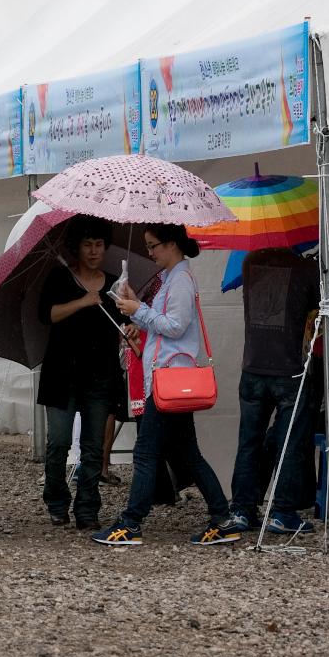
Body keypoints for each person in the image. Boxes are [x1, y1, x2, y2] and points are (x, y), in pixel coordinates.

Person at [97, 224, 241, 547]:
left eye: (153, 246)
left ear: (172, 244)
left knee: (146, 453)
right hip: (170, 379)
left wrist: (140, 311)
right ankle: (222, 517)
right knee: (189, 455)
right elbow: (165, 326)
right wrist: (138, 313)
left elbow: (175, 326)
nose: (150, 252)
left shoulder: (180, 281)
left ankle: (131, 523)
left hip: (168, 379)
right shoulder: (173, 279)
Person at [37, 217, 127, 530]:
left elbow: (124, 324)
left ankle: (87, 507)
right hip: (62, 375)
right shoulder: (61, 278)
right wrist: (82, 301)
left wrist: (130, 329)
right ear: (77, 247)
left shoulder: (114, 283)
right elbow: (47, 314)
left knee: (92, 447)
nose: (93, 251)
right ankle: (57, 501)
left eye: (99, 245)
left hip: (100, 377)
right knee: (58, 443)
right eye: (88, 244)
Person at [229, 247, 321, 535]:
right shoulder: (305, 269)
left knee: (249, 442)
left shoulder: (249, 261)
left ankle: (242, 509)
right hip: (288, 370)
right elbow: (320, 305)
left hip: (252, 367)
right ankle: (282, 512)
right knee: (288, 443)